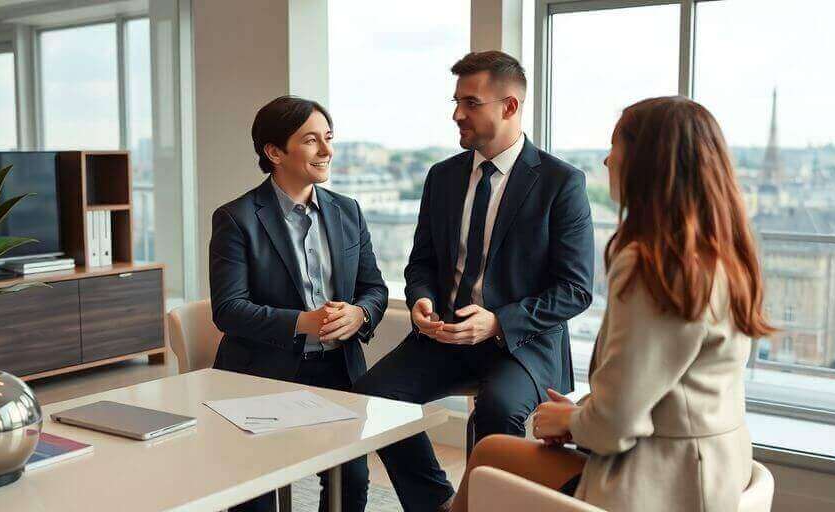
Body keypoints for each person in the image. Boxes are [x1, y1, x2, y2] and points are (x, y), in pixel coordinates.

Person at [450, 96, 772, 512]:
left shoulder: (654, 265)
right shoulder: (725, 256)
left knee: (488, 458)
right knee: (495, 452)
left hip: (658, 484)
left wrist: (569, 421)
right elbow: (660, 388)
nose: (606, 160)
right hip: (718, 471)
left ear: (647, 163)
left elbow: (615, 427)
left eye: (617, 146)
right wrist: (582, 412)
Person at [352, 51, 595, 512]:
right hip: (444, 336)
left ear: (509, 107)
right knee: (372, 397)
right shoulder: (441, 177)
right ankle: (438, 504)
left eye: (470, 102)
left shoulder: (562, 183)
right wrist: (422, 300)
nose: (456, 113)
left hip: (522, 344)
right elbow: (420, 263)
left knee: (499, 411)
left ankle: (484, 507)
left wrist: (498, 323)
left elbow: (576, 289)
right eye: (456, 100)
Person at [209, 95, 389, 512]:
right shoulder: (236, 218)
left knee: (352, 484)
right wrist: (303, 322)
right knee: (253, 494)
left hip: (337, 371)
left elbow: (374, 288)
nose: (327, 151)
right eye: (312, 140)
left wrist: (360, 313)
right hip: (262, 376)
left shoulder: (348, 211)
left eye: (328, 138)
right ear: (274, 152)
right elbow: (228, 309)